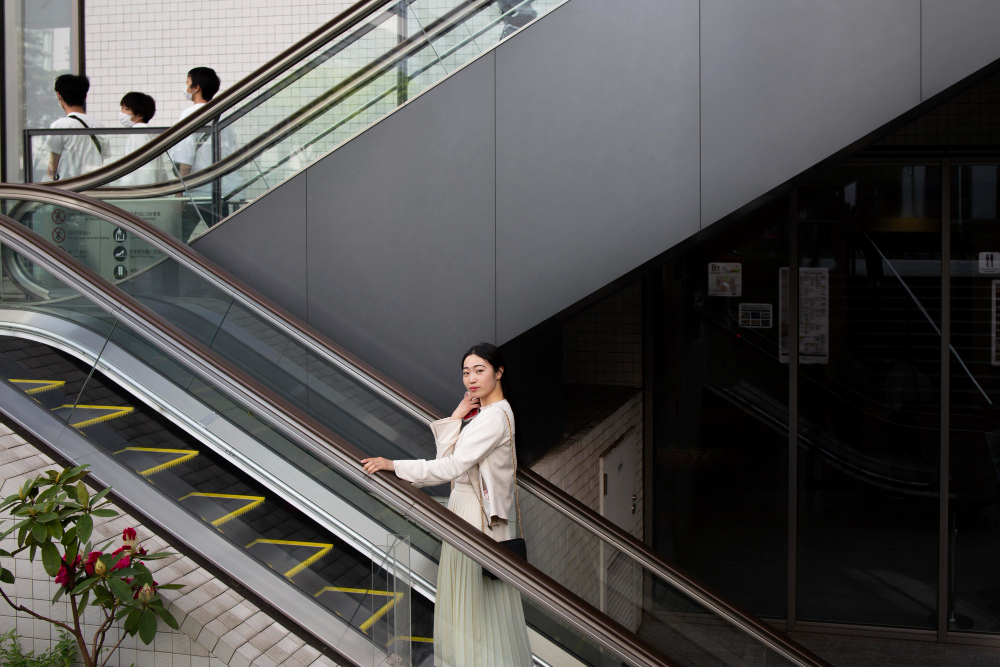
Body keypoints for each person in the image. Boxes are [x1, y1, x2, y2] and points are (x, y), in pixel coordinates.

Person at [362, 343, 532, 667]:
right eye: (466, 372)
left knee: (472, 607)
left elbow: (449, 468)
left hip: (474, 517)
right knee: (476, 607)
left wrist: (394, 465)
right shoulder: (488, 414)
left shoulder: (493, 419)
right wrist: (456, 416)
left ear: (499, 372)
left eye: (479, 370)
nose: (471, 379)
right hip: (468, 512)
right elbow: (449, 462)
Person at [168, 67, 238, 199]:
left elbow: (185, 155)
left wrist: (179, 192)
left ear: (196, 88)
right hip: (224, 189)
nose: (186, 86)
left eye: (188, 82)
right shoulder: (222, 115)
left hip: (199, 190)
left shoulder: (190, 114)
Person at [44, 74, 108, 181]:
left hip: (70, 189)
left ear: (59, 95)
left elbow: (52, 168)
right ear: (85, 97)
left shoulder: (59, 126)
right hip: (96, 187)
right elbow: (100, 160)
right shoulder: (99, 125)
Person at [118, 92, 168, 186]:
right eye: (122, 108)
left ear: (140, 115)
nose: (122, 112)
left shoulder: (138, 132)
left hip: (139, 190)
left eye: (127, 109)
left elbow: (143, 169)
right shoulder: (148, 132)